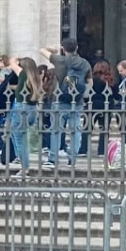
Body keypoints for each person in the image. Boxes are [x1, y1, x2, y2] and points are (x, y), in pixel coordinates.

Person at [40, 38, 92, 169]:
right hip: (77, 101)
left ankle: (53, 158)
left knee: (56, 130)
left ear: (64, 49)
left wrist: (55, 50)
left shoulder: (60, 60)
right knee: (76, 131)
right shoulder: (85, 63)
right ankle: (73, 159)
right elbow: (89, 82)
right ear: (77, 48)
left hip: (59, 99)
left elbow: (42, 50)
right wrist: (82, 94)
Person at [6, 58, 42, 178]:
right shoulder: (35, 77)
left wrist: (17, 59)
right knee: (21, 137)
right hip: (31, 109)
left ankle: (24, 167)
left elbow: (11, 61)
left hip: (21, 108)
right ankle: (23, 161)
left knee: (19, 139)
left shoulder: (23, 74)